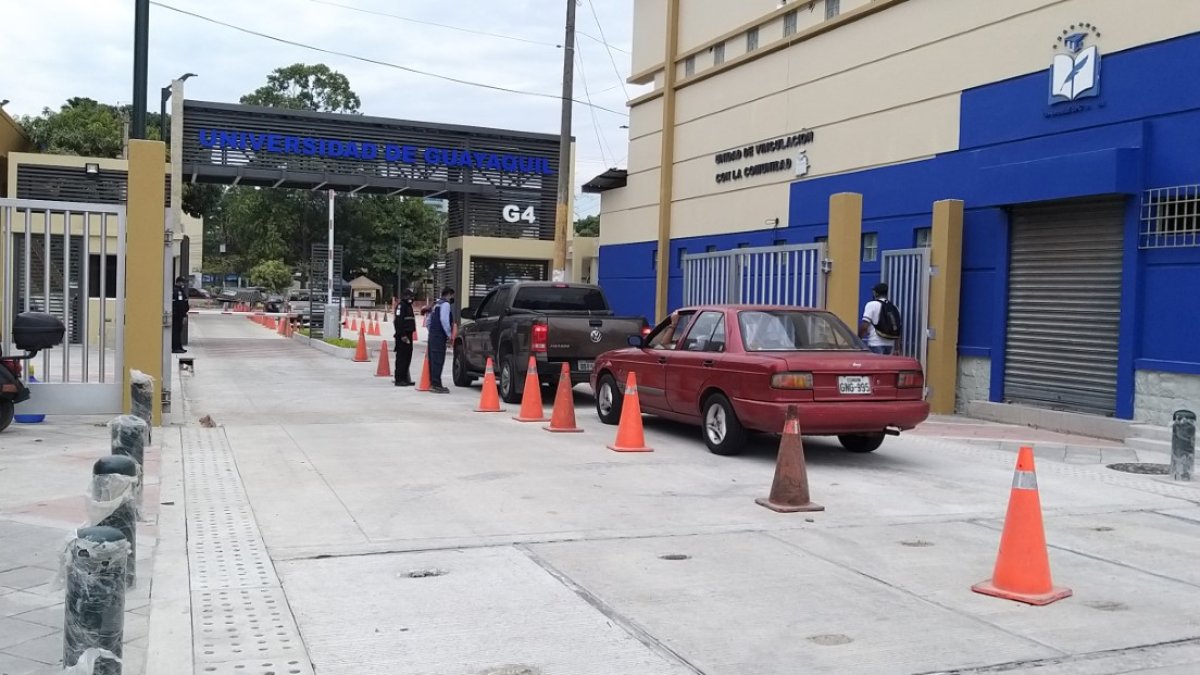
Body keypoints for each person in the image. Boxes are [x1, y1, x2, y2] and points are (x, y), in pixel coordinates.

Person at [424, 286, 455, 394]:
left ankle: (433, 383)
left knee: (433, 360)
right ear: (449, 294)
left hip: (433, 335)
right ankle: (436, 385)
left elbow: (428, 321)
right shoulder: (445, 305)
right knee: (438, 360)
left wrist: (431, 332)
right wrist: (449, 334)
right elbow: (444, 320)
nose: (452, 298)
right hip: (439, 336)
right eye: (452, 296)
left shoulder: (436, 304)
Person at [860, 282, 901, 355]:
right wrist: (897, 349)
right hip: (890, 345)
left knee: (875, 366)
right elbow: (897, 328)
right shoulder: (894, 307)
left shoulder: (871, 305)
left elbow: (864, 326)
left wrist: (858, 340)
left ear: (875, 293)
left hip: (875, 343)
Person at [393, 289, 417, 387]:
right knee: (401, 358)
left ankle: (405, 378)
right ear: (405, 296)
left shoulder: (408, 306)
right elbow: (398, 322)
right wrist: (402, 335)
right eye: (410, 297)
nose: (411, 299)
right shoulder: (401, 306)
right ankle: (399, 379)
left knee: (407, 357)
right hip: (403, 336)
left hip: (409, 335)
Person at [171, 276, 190, 354]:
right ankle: (176, 347)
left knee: (178, 331)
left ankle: (179, 347)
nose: (183, 284)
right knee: (176, 331)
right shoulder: (177, 291)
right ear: (179, 282)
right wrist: (183, 315)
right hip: (178, 315)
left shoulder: (180, 290)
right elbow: (180, 304)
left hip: (179, 314)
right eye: (182, 282)